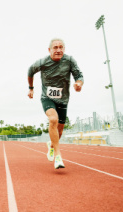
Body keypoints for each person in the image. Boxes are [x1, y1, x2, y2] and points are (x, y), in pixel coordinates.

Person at [27, 38, 84, 169]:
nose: (58, 50)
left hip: (63, 100)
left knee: (60, 131)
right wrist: (31, 88)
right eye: (55, 47)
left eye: (61, 47)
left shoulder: (69, 61)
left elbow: (79, 75)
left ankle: (51, 145)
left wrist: (78, 84)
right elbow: (30, 71)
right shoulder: (42, 62)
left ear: (64, 49)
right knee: (53, 119)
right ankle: (58, 156)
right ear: (49, 50)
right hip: (47, 98)